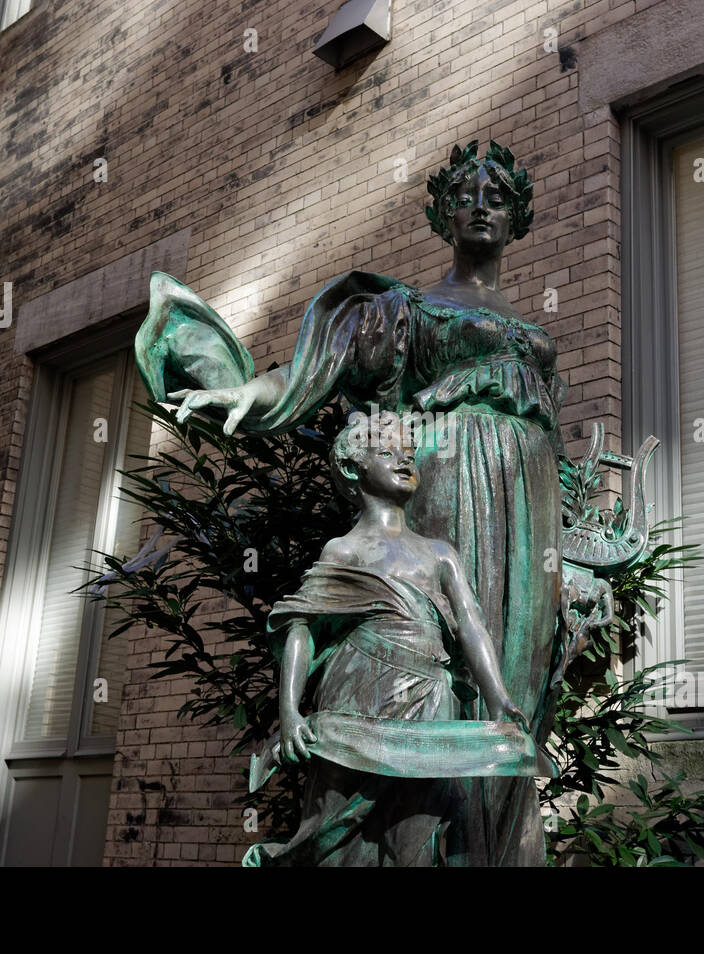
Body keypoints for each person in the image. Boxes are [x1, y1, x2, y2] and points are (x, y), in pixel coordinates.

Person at [138, 140, 564, 865]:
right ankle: (438, 846)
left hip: (532, 500)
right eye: (467, 193)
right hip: (454, 482)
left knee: (519, 676)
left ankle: (502, 847)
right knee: (452, 653)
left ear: (518, 213)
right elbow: (316, 370)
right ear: (443, 213)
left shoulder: (523, 319)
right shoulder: (410, 310)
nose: (483, 205)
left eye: (498, 195)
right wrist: (249, 391)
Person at [244, 411, 528, 866]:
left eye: (409, 454)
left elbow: (471, 623)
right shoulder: (344, 551)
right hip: (356, 702)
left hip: (429, 701)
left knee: (419, 833)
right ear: (355, 468)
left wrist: (497, 697)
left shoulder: (440, 554)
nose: (403, 460)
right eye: (387, 452)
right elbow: (302, 627)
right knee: (339, 834)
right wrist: (290, 712)